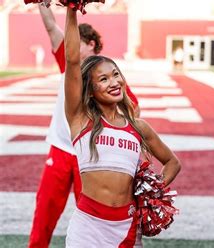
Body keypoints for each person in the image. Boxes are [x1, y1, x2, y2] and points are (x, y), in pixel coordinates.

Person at [63, 6, 181, 246]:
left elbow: (172, 162)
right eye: (103, 79)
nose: (114, 82)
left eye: (116, 75)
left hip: (127, 225)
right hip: (88, 227)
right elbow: (73, 61)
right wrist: (72, 11)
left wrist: (151, 190)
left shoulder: (139, 127)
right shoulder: (80, 120)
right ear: (90, 89)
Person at [28, 4, 140, 248]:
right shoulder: (69, 62)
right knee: (45, 210)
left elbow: (133, 107)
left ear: (91, 43)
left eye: (78, 39)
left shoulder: (107, 72)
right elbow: (50, 27)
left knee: (94, 216)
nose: (72, 42)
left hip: (91, 154)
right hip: (60, 148)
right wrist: (42, 3)